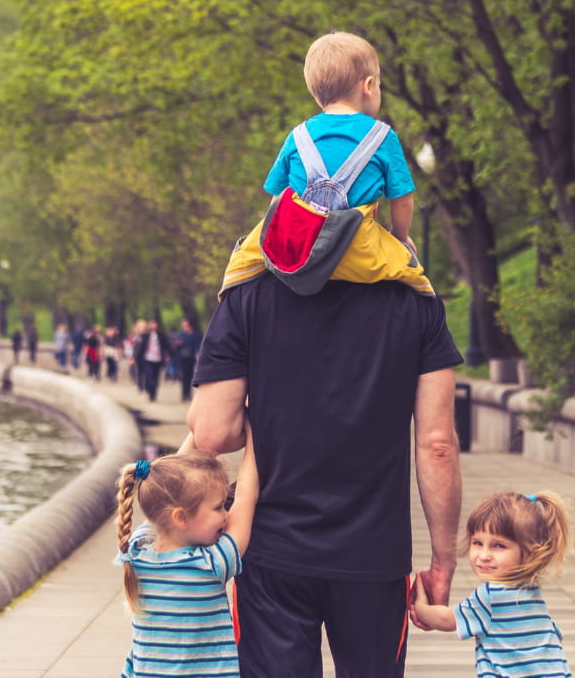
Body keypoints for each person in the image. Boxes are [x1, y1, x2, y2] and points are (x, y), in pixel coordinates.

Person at [187, 275, 463, 670]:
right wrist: (442, 561)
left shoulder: (247, 293)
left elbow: (212, 433)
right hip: (374, 555)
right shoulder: (414, 300)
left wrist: (270, 416)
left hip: (272, 552)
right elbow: (437, 445)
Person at [218, 31, 433, 300]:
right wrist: (400, 238)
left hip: (302, 248)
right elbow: (403, 199)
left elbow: (277, 201)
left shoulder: (298, 137)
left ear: (316, 94)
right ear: (368, 86)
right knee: (419, 285)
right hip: (360, 250)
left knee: (240, 266)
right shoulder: (383, 137)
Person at [114, 433, 259, 676]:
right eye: (219, 507)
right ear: (180, 518)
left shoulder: (137, 552)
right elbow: (246, 496)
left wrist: (201, 430)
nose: (226, 515)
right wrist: (255, 434)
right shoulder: (209, 565)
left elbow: (168, 490)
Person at [411, 491, 574, 678]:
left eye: (498, 546)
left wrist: (420, 607)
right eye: (478, 543)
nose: (484, 555)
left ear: (529, 552)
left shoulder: (491, 596)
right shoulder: (531, 591)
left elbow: (446, 620)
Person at [136, 318, 172, 403]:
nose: (153, 326)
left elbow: (167, 346)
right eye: (152, 324)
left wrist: (168, 355)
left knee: (156, 378)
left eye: (155, 324)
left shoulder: (161, 335)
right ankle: (149, 390)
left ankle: (153, 394)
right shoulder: (146, 336)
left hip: (158, 359)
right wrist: (136, 358)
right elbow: (141, 348)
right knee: (149, 376)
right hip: (148, 359)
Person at [172, 319, 202, 402]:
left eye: (186, 325)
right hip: (182, 359)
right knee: (184, 377)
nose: (185, 327)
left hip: (191, 358)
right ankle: (184, 394)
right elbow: (176, 349)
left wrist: (197, 356)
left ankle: (188, 394)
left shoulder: (196, 335)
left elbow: (198, 346)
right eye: (183, 325)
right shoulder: (181, 335)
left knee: (190, 377)